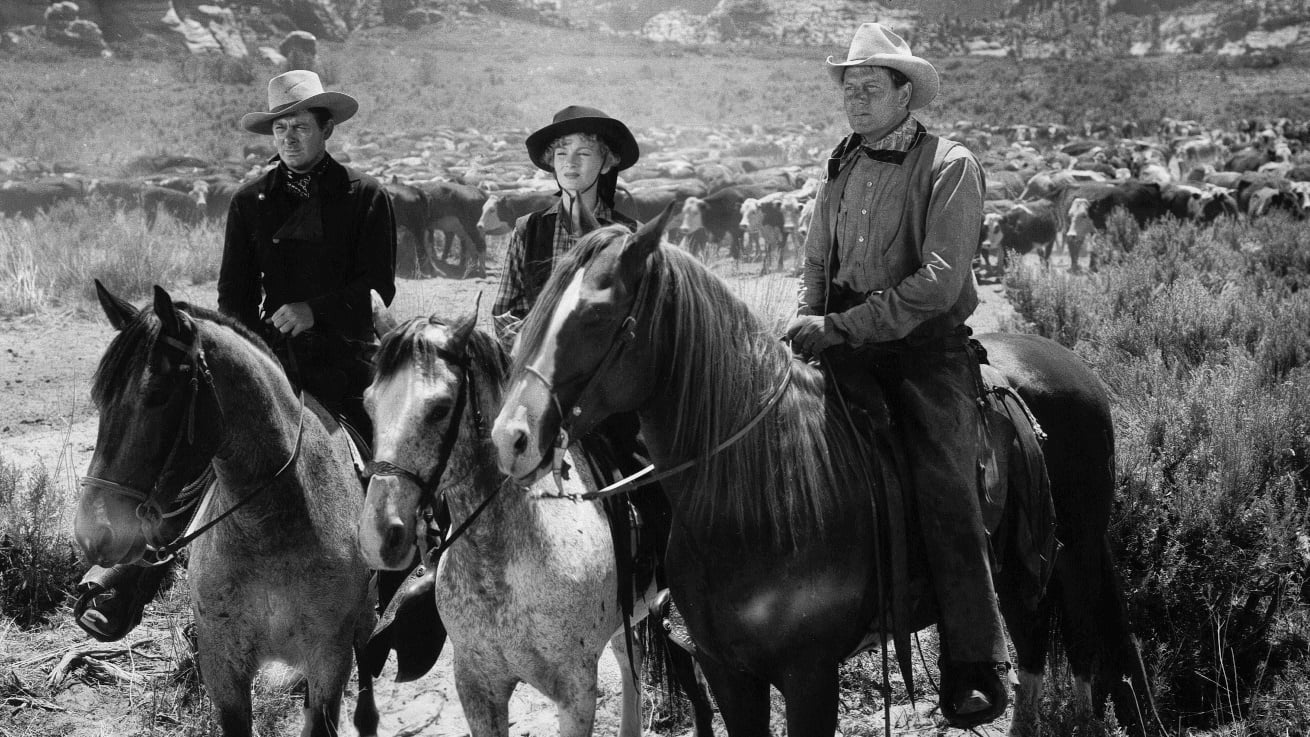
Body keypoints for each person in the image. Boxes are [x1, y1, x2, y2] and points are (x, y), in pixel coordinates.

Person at [75, 71, 402, 648]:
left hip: (343, 358)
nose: (289, 136)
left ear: (326, 128)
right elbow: (233, 297)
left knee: (390, 459)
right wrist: (252, 356)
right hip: (268, 363)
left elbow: (379, 284)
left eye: (300, 126)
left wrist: (315, 311)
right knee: (196, 452)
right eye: (280, 127)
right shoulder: (250, 200)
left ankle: (396, 594)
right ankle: (128, 583)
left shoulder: (366, 196)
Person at [783, 22, 1010, 729]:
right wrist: (809, 315)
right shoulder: (841, 161)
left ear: (904, 93)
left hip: (921, 349)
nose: (855, 98)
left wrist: (844, 326)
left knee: (945, 484)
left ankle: (974, 664)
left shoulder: (950, 164)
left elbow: (939, 283)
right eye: (849, 87)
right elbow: (816, 257)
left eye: (870, 87)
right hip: (842, 338)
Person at [491, 105, 640, 345]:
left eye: (583, 154)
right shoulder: (528, 229)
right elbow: (504, 311)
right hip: (537, 358)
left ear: (606, 164)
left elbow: (643, 313)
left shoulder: (631, 235)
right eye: (561, 154)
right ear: (551, 163)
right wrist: (530, 348)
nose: (570, 163)